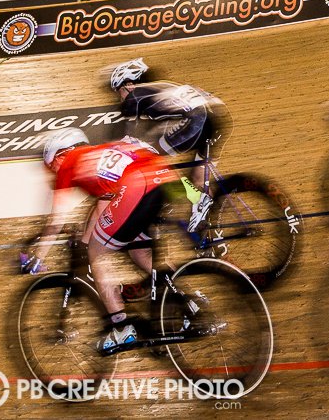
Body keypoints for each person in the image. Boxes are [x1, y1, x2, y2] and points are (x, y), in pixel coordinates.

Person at [20, 128, 182, 352]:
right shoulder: (96, 156)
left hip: (138, 185)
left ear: (59, 155)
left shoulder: (69, 163)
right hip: (163, 178)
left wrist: (38, 257)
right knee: (139, 252)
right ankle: (184, 303)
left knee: (96, 255)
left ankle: (121, 327)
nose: (54, 172)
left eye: (52, 167)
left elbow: (56, 221)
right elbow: (103, 209)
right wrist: (83, 242)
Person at [109, 58, 230, 231]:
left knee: (153, 160)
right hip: (216, 118)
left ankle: (189, 197)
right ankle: (208, 225)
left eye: (119, 90)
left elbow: (129, 135)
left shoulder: (135, 94)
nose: (119, 97)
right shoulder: (161, 87)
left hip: (197, 120)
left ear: (129, 84)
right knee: (199, 179)